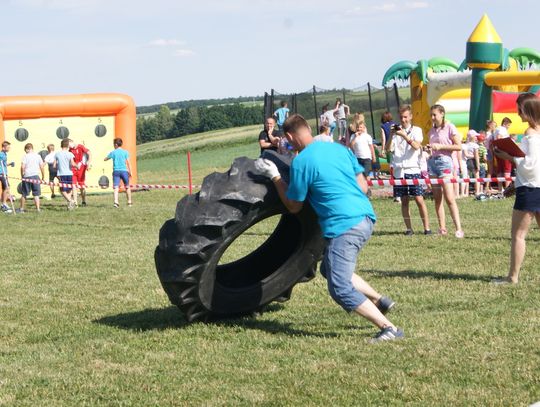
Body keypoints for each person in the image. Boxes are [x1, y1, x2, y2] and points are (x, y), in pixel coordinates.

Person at [254, 114, 403, 342]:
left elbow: (293, 206)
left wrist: (274, 176)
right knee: (329, 269)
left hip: (345, 225)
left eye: (288, 140)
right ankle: (379, 300)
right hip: (365, 217)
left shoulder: (302, 162)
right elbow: (363, 186)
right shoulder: (339, 149)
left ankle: (389, 328)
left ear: (291, 136)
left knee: (339, 286)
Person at [493, 94, 540, 284]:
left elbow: (530, 165)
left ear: (526, 110)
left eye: (519, 108)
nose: (517, 112)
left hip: (530, 190)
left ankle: (512, 277)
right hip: (534, 186)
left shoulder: (530, 133)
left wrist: (508, 155)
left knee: (518, 236)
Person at [387, 105, 431, 235]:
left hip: (412, 169)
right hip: (399, 170)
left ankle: (427, 228)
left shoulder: (416, 130)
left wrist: (404, 135)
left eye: (406, 117)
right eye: (401, 117)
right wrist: (391, 134)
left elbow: (417, 146)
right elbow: (388, 149)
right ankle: (409, 228)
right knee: (404, 200)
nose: (403, 119)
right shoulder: (396, 132)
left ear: (411, 117)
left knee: (419, 199)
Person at [426, 104, 464, 238]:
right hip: (432, 163)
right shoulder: (431, 131)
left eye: (434, 115)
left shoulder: (450, 127)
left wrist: (441, 146)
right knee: (437, 198)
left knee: (449, 198)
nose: (432, 117)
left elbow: (459, 146)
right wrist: (429, 149)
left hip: (445, 162)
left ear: (442, 114)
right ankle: (442, 228)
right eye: (431, 115)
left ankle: (458, 228)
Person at [104, 138, 132, 208]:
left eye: (114, 144)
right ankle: (129, 202)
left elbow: (105, 159)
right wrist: (130, 171)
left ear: (116, 144)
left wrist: (106, 157)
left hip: (116, 171)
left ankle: (116, 202)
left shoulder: (113, 152)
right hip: (124, 171)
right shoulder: (125, 152)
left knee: (116, 188)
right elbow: (128, 162)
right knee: (127, 187)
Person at [19, 143, 45, 213]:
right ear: (32, 148)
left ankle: (21, 209)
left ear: (27, 149)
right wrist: (43, 177)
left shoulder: (25, 156)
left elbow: (22, 167)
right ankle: (38, 209)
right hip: (35, 176)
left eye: (25, 150)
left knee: (24, 193)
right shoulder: (38, 156)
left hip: (27, 176)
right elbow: (42, 167)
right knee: (36, 194)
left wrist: (22, 175)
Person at [54, 138, 77, 210]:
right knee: (69, 190)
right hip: (69, 173)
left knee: (62, 190)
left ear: (61, 145)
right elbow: (73, 164)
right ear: (68, 146)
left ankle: (70, 201)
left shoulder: (57, 154)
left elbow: (54, 165)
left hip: (61, 174)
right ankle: (70, 204)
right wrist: (77, 166)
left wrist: (58, 165)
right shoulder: (70, 154)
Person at [69, 140, 92, 206]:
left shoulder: (80, 146)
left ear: (72, 142)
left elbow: (89, 153)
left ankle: (83, 201)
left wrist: (89, 163)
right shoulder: (70, 149)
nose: (70, 147)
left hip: (81, 169)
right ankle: (75, 202)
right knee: (73, 185)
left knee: (81, 186)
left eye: (70, 145)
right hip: (73, 168)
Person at [494, 117, 513, 192]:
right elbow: (499, 137)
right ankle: (507, 188)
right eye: (508, 125)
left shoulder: (496, 129)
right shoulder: (502, 129)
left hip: (497, 151)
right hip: (504, 151)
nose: (508, 127)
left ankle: (500, 188)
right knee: (507, 169)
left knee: (500, 170)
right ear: (505, 123)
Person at [463, 130, 480, 197]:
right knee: (477, 177)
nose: (476, 137)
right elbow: (476, 156)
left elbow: (466, 155)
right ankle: (477, 191)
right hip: (473, 161)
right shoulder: (475, 145)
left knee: (467, 177)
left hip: (467, 161)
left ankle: (466, 192)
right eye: (475, 136)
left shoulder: (466, 145)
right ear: (472, 137)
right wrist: (478, 165)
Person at [0, 141, 15, 213]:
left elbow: (4, 164)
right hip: (1, 173)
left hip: (4, 173)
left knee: (4, 188)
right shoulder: (1, 154)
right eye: (8, 147)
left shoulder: (4, 154)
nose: (9, 149)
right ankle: (4, 203)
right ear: (3, 147)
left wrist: (10, 164)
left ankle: (3, 204)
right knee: (7, 187)